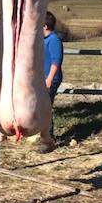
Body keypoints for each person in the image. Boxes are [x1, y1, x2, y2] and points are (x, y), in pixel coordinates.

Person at [39, 11, 63, 153]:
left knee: (46, 108)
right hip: (43, 79)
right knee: (43, 107)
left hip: (51, 80)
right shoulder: (43, 40)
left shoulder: (54, 40)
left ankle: (49, 139)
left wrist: (49, 79)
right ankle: (45, 135)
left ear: (46, 26)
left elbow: (56, 61)